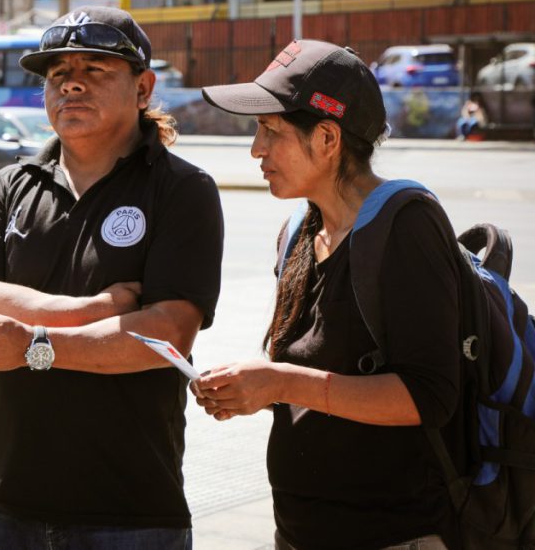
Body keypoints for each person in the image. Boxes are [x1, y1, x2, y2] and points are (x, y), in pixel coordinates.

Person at [0, 6, 224, 549]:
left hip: (129, 515)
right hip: (3, 505)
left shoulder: (183, 190)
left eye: (95, 69)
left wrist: (33, 346)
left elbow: (166, 333)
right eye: (57, 73)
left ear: (143, 88)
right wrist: (94, 311)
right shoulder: (9, 185)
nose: (71, 82)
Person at [194, 40, 461, 549]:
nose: (256, 149)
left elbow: (430, 396)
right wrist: (252, 389)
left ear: (327, 137)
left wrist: (279, 381)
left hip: (392, 535)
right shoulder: (297, 230)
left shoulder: (407, 225)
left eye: (270, 129)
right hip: (299, 534)